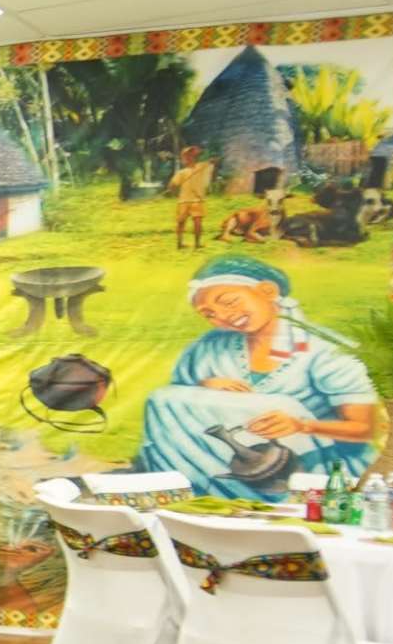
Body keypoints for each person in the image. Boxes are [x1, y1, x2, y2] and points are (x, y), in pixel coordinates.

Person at [131, 255, 379, 499]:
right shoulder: (209, 347)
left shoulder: (326, 351)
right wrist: (204, 386)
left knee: (282, 407)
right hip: (233, 464)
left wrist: (301, 426)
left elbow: (364, 429)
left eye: (228, 301)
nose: (222, 316)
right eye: (209, 314)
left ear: (267, 291)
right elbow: (172, 409)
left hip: (316, 469)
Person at [168, 146, 214, 248]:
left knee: (198, 222)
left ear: (195, 157)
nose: (189, 158)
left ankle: (197, 244)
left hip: (197, 200)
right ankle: (180, 243)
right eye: (186, 156)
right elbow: (172, 184)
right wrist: (174, 191)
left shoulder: (202, 167)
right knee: (181, 222)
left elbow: (211, 163)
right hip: (184, 201)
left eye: (191, 155)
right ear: (184, 158)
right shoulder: (182, 172)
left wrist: (211, 161)